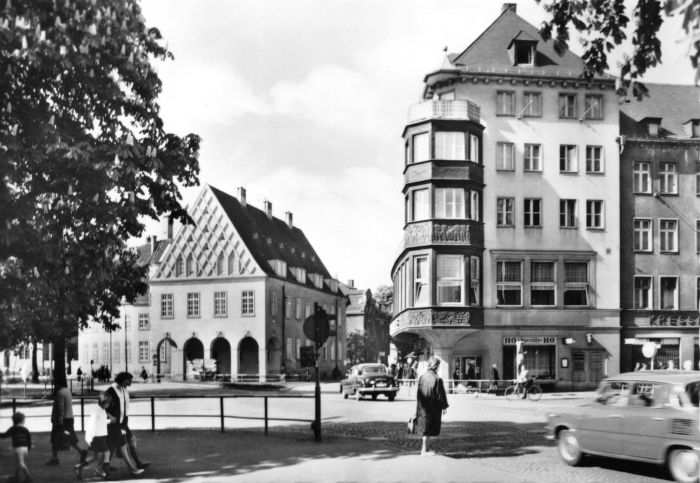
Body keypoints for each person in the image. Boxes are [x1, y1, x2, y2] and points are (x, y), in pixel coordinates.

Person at [106, 372, 149, 473]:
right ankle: (133, 467)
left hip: (123, 422)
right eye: (127, 382)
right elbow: (101, 405)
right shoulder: (111, 390)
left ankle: (137, 463)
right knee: (119, 444)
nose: (128, 384)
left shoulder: (123, 390)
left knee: (129, 440)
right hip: (114, 423)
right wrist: (109, 416)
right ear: (121, 380)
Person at [46, 376, 88, 467]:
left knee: (55, 438)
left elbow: (61, 408)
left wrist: (59, 422)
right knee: (70, 438)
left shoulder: (59, 393)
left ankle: (55, 458)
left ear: (58, 383)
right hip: (69, 418)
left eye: (55, 383)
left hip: (61, 420)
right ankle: (81, 451)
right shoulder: (68, 391)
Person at [416, 357, 448, 456]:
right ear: (436, 366)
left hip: (422, 406)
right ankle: (424, 450)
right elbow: (440, 395)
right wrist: (444, 406)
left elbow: (418, 393)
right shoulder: (437, 379)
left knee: (425, 428)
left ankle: (425, 449)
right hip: (432, 407)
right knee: (428, 429)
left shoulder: (422, 377)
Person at [76, 391, 112, 479]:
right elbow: (91, 425)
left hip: (101, 436)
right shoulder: (97, 411)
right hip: (97, 437)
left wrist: (110, 421)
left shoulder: (102, 410)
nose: (109, 405)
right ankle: (108, 474)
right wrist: (89, 438)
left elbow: (101, 422)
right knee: (107, 453)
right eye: (108, 403)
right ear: (104, 402)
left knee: (96, 456)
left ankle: (79, 467)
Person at [1, 411, 32, 483]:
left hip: (18, 448)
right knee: (18, 463)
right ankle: (16, 477)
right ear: (22, 420)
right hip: (25, 448)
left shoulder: (13, 428)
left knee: (20, 463)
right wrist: (28, 448)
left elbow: (5, 435)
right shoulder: (25, 429)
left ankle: (28, 477)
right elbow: (29, 439)